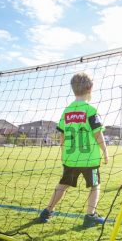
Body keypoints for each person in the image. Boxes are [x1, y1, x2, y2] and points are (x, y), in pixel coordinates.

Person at [39, 72, 109, 228]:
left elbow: (62, 136)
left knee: (63, 185)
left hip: (70, 158)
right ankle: (90, 216)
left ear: (73, 89)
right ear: (90, 88)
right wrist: (105, 152)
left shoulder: (67, 111)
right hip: (89, 159)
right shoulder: (90, 110)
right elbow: (98, 134)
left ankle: (47, 211)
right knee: (95, 186)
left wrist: (64, 152)